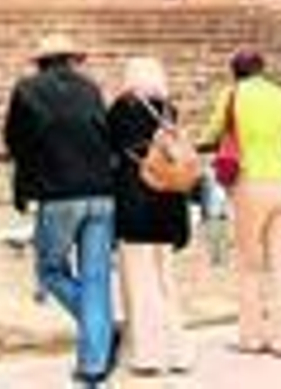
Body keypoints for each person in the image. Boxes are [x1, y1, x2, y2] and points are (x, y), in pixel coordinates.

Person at [2, 34, 117, 386]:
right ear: (71, 60)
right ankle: (93, 366)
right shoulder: (91, 89)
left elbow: (14, 140)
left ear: (40, 62)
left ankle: (101, 333)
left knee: (50, 270)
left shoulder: (27, 89)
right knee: (96, 278)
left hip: (60, 194)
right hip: (102, 194)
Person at [202, 47, 281, 357]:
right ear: (262, 68)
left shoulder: (232, 95)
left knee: (249, 263)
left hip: (251, 181)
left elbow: (214, 131)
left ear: (236, 70)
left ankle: (251, 336)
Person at [108, 57, 194, 375]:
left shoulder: (122, 110)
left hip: (137, 205)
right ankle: (178, 352)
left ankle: (148, 354)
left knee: (139, 281)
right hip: (168, 204)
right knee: (165, 281)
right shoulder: (168, 111)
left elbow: (111, 150)